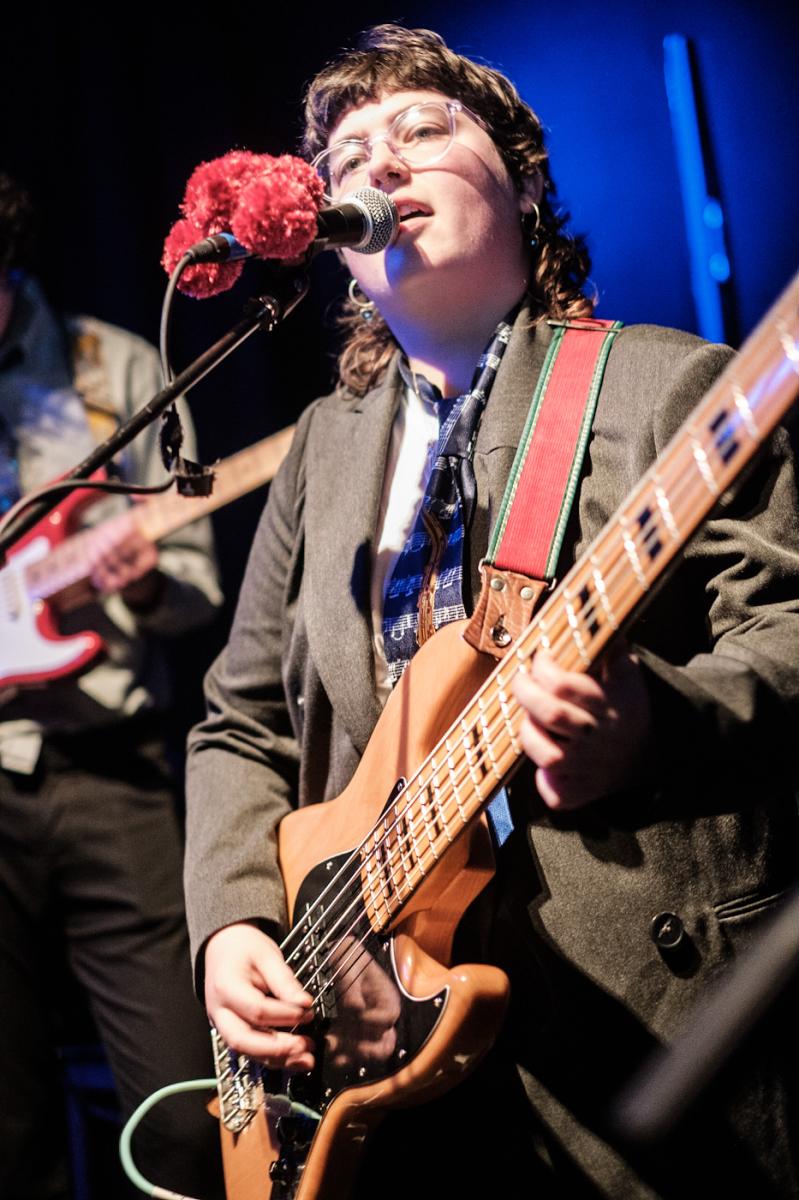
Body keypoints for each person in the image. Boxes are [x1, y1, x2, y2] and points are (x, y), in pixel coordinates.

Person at [184, 25, 799, 1198]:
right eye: (350, 153)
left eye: (422, 129)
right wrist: (234, 927)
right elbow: (239, 720)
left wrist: (654, 722)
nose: (381, 164)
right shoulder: (323, 445)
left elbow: (787, 636)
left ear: (521, 178)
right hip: (372, 1033)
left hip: (645, 1012)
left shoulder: (674, 381)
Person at [0, 174, 225, 1199]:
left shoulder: (116, 365)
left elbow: (198, 590)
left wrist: (139, 581)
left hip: (112, 768)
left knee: (180, 1119)